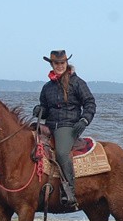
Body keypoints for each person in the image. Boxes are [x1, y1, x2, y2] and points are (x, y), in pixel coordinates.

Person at [33, 50, 96, 209]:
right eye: (56, 63)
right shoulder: (47, 87)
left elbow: (90, 103)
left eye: (62, 63)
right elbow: (46, 109)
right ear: (52, 64)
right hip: (50, 125)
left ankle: (70, 193)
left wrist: (84, 119)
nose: (60, 66)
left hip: (69, 125)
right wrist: (40, 109)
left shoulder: (77, 83)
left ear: (66, 63)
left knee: (61, 153)